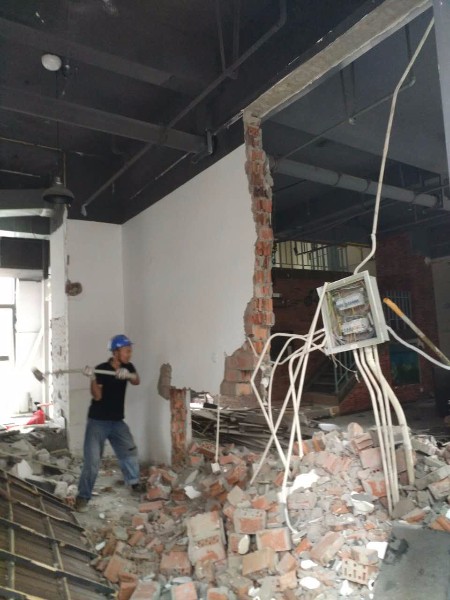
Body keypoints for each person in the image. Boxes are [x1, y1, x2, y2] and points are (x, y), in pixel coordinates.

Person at [74, 334, 142, 512]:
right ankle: (83, 497)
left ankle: (134, 483)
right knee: (93, 461)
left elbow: (137, 381)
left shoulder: (128, 366)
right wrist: (92, 378)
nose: (130, 354)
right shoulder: (101, 369)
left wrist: (129, 375)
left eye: (130, 351)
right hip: (98, 421)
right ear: (116, 352)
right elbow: (97, 396)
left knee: (129, 450)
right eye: (127, 351)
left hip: (117, 421)